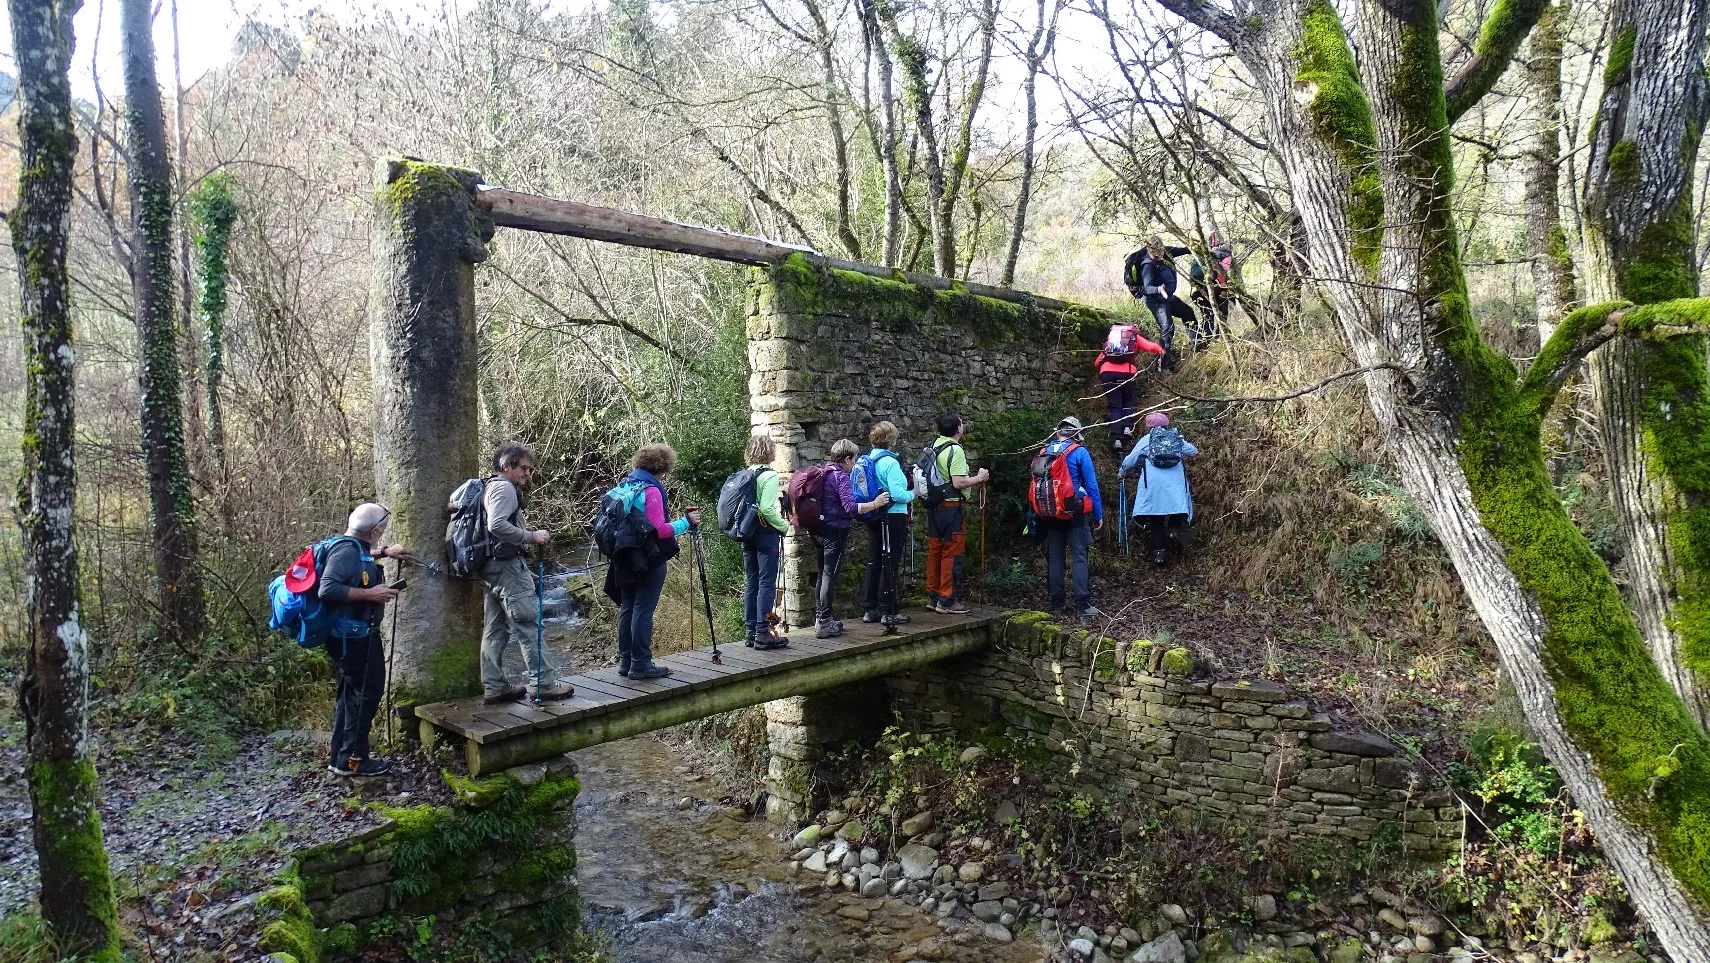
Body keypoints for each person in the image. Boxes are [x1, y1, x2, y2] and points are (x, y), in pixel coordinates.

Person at [481, 443, 575, 704]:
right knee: (528, 623)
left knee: (495, 628)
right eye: (524, 468)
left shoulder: (490, 486)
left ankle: (495, 686)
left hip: (493, 567)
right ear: (506, 466)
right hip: (507, 568)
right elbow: (496, 524)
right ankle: (543, 683)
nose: (528, 474)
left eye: (531, 470)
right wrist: (531, 536)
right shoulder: (503, 487)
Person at [319, 502, 405, 777]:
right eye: (384, 526)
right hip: (353, 638)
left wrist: (384, 553)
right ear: (375, 530)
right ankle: (354, 759)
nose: (385, 529)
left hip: (351, 635)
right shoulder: (346, 551)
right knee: (366, 695)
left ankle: (340, 757)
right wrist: (373, 594)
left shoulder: (353, 547)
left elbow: (359, 559)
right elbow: (328, 588)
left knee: (351, 696)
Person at [603, 443, 699, 679]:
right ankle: (641, 664)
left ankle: (626, 662)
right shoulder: (651, 490)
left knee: (628, 608)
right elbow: (659, 530)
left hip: (624, 556)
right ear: (663, 466)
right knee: (643, 610)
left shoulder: (626, 484)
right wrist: (687, 522)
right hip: (647, 559)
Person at [813, 439, 891, 637]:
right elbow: (850, 507)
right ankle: (824, 622)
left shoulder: (824, 471)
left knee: (822, 573)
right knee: (829, 575)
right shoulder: (840, 476)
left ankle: (821, 618)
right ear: (846, 458)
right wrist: (875, 503)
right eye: (854, 459)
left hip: (818, 529)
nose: (855, 463)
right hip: (835, 530)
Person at [920, 412, 989, 614]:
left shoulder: (934, 446)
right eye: (962, 423)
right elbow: (958, 482)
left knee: (935, 550)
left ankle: (933, 598)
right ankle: (947, 600)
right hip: (951, 508)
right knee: (952, 552)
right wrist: (979, 477)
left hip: (934, 507)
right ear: (958, 428)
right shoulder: (955, 450)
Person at [1036, 417, 1104, 618]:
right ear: (1076, 435)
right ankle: (1082, 605)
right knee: (1079, 557)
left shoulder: (1044, 452)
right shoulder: (1079, 452)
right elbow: (1091, 485)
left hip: (1050, 511)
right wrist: (1098, 514)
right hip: (1075, 511)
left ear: (1058, 433)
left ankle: (1056, 604)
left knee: (1055, 558)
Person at [1120, 411, 1201, 566]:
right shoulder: (1174, 438)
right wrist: (1181, 441)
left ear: (1148, 426)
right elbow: (1193, 451)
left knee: (1156, 517)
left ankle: (1159, 553)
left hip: (1153, 484)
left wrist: (1122, 472)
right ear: (1166, 424)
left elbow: (1131, 459)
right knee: (1176, 507)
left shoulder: (1146, 440)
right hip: (1175, 482)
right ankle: (1173, 530)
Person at [858, 420, 915, 626]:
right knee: (890, 562)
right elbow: (898, 494)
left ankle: (869, 608)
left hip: (873, 514)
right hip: (892, 516)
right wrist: (913, 493)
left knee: (873, 562)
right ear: (890, 439)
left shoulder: (866, 460)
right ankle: (889, 611)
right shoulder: (890, 463)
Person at [741, 433, 791, 649]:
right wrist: (783, 525)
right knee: (766, 583)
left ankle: (750, 631)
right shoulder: (769, 476)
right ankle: (763, 633)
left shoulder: (745, 474)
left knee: (751, 582)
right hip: (765, 534)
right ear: (769, 452)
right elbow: (767, 509)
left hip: (746, 533)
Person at [1093, 323, 1165, 453]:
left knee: (1115, 406)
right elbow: (1150, 347)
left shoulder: (1112, 338)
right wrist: (1162, 350)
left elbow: (1097, 362)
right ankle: (1127, 427)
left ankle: (1117, 439)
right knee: (1128, 401)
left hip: (1107, 373)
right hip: (1127, 372)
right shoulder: (1133, 337)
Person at [1123, 237, 1193, 370]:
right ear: (1150, 251)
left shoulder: (1166, 252)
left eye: (1160, 254)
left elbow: (1183, 250)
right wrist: (1158, 289)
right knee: (1168, 328)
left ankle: (1196, 345)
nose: (1158, 257)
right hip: (1155, 301)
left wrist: (1195, 249)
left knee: (1188, 313)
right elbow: (1147, 287)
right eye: (1155, 255)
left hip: (1168, 298)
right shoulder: (1147, 265)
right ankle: (1161, 364)